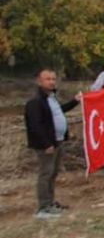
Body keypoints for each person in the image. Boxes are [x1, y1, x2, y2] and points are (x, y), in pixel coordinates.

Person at [24, 69, 79, 219]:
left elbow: (58, 112)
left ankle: (50, 202)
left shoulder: (51, 98)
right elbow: (36, 125)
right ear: (39, 81)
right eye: (47, 79)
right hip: (47, 145)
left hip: (58, 141)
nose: (51, 82)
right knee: (46, 173)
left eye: (53, 79)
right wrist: (46, 144)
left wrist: (75, 101)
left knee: (53, 173)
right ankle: (43, 208)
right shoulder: (36, 102)